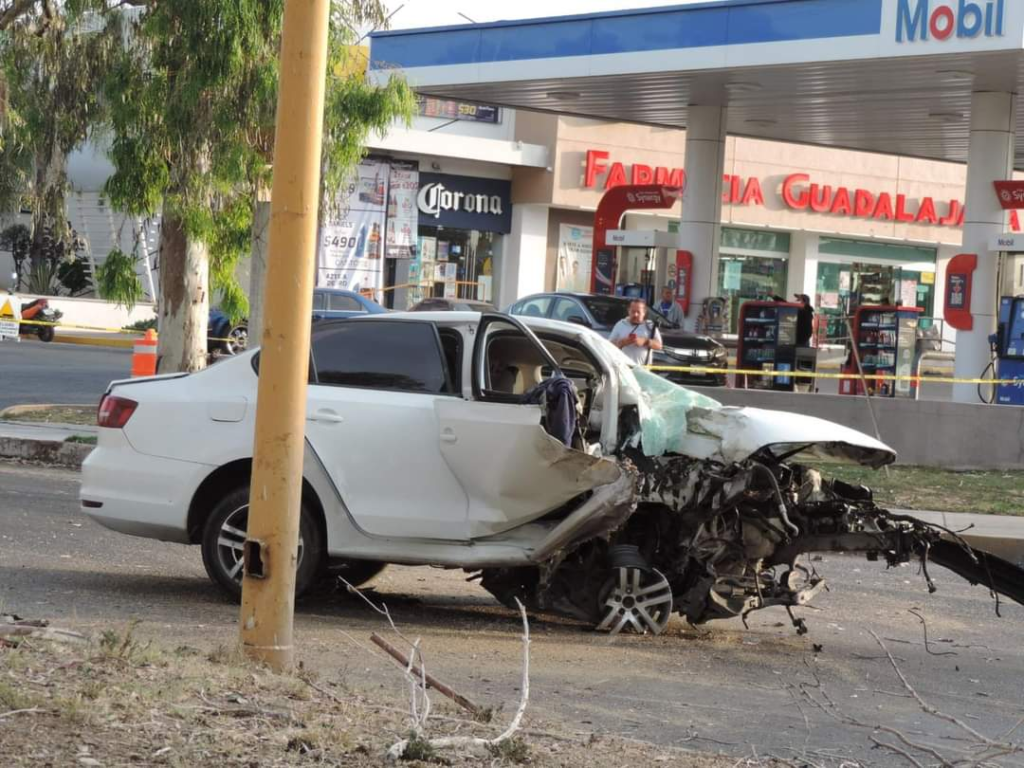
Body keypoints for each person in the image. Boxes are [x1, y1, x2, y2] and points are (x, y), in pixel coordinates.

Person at [609, 299, 663, 365]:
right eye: (633, 311)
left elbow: (659, 346)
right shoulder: (621, 324)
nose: (635, 314)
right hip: (623, 367)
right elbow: (609, 346)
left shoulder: (650, 326)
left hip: (643, 368)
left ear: (644, 312)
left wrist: (645, 342)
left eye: (638, 312)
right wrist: (622, 342)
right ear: (628, 311)